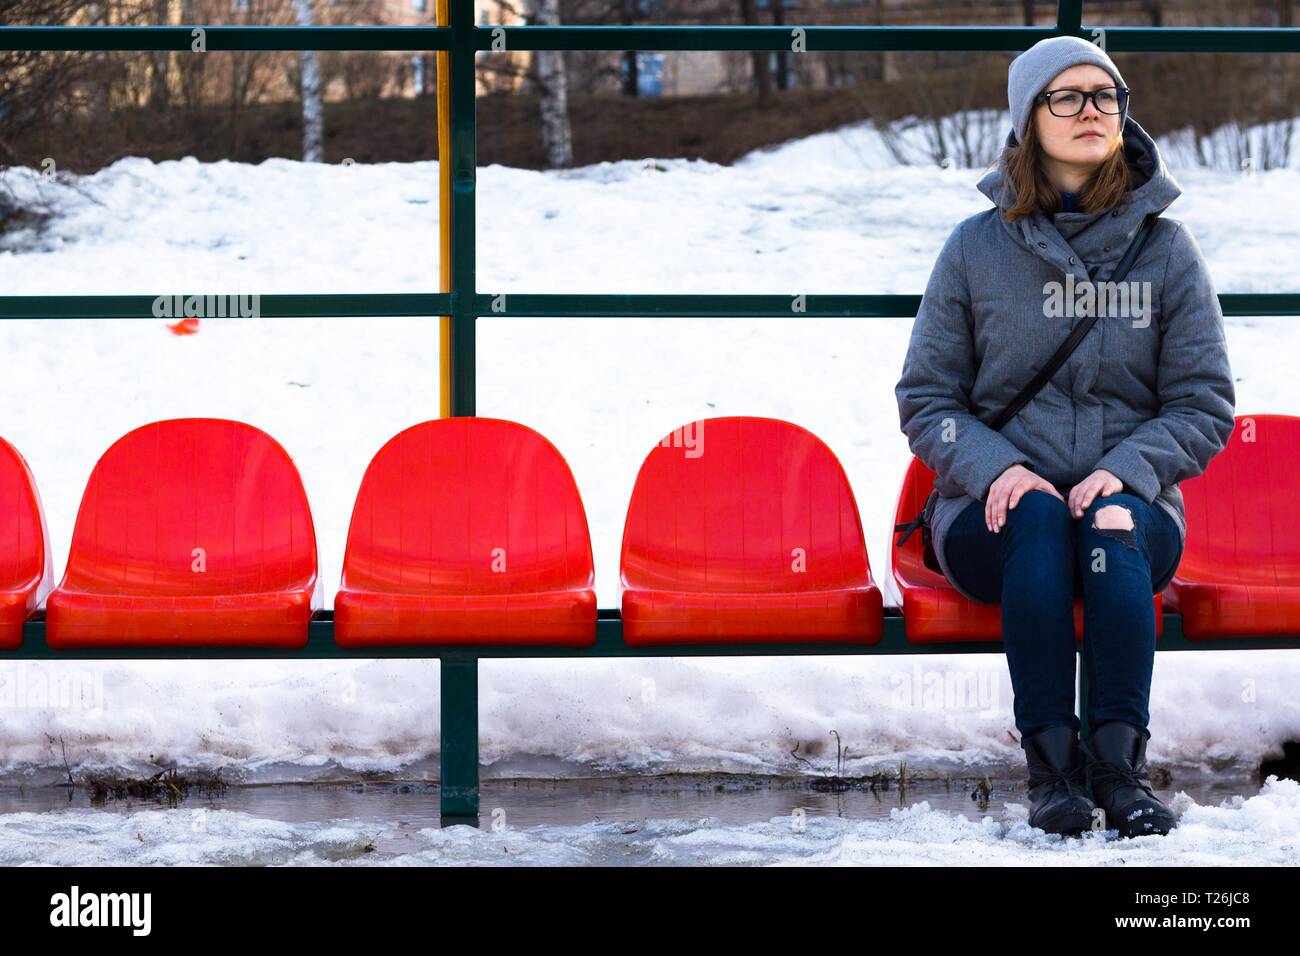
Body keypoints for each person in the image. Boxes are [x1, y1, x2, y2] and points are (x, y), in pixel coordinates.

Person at [894, 35, 1236, 839]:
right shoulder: (976, 249)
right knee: (1039, 519)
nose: (1091, 111)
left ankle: (1120, 770)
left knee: (1109, 528)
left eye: (1106, 96)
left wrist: (1126, 471)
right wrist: (997, 466)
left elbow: (1203, 402)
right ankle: (1050, 771)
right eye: (1067, 96)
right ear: (1027, 118)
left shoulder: (1166, 251)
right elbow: (926, 397)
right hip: (989, 511)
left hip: (1132, 505)